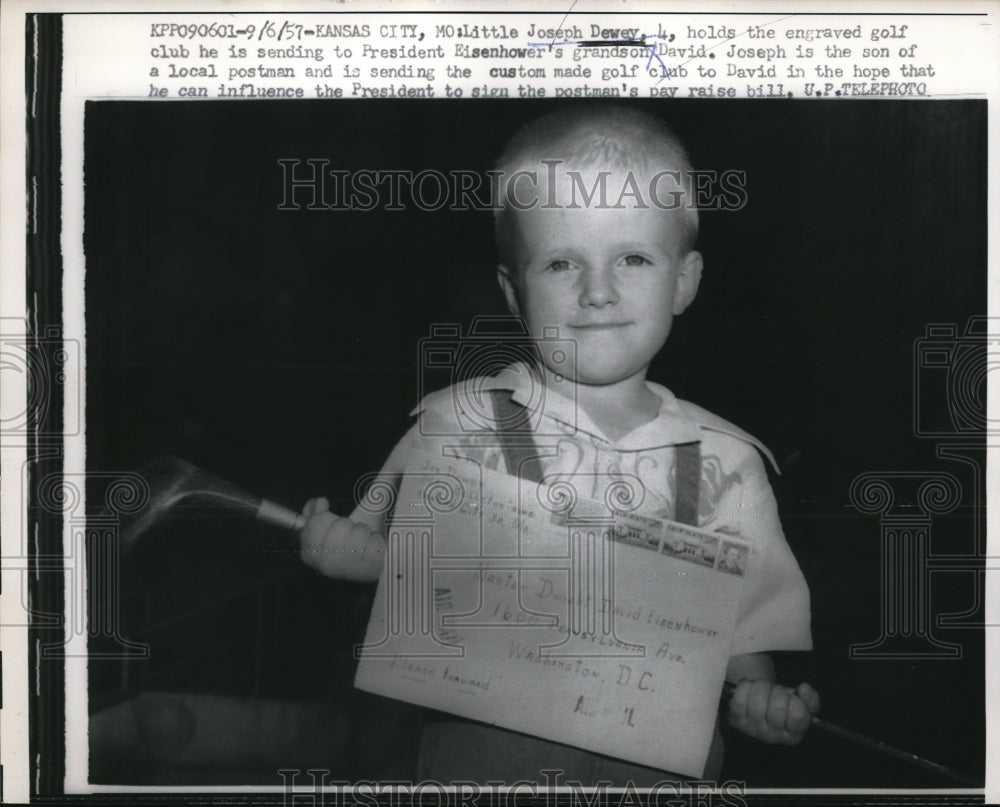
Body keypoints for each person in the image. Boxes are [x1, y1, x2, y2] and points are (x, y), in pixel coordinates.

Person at [300, 105, 820, 785]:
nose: (597, 291)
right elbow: (394, 561)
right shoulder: (460, 424)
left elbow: (744, 635)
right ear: (513, 292)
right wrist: (350, 555)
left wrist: (759, 694)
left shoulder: (725, 462)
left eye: (633, 257)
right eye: (560, 262)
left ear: (685, 280)